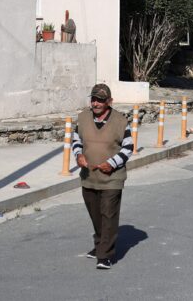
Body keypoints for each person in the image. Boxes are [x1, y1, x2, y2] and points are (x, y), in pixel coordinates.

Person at [72, 83, 133, 270]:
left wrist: (112, 163)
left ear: (109, 101)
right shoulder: (82, 118)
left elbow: (128, 147)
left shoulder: (121, 121)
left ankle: (105, 254)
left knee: (108, 214)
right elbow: (76, 140)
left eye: (100, 100)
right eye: (94, 99)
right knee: (95, 213)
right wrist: (78, 155)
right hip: (89, 175)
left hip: (112, 178)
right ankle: (100, 244)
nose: (96, 103)